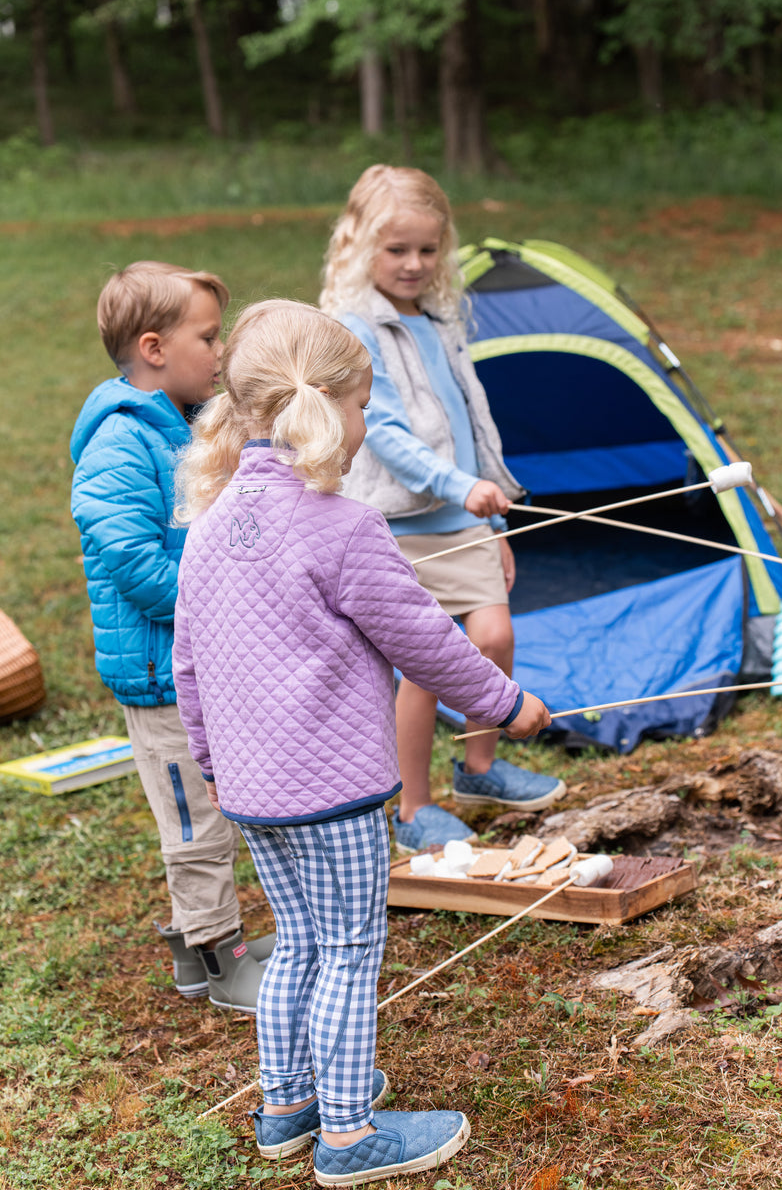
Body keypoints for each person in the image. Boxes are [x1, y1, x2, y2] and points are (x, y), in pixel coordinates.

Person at [171, 298, 552, 1185]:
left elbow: (188, 666)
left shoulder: (210, 523)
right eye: (362, 408)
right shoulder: (347, 528)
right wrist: (508, 704)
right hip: (332, 793)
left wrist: (220, 766)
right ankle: (347, 1134)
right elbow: (427, 643)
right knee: (347, 949)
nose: (361, 425)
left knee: (300, 941)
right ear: (330, 404)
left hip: (253, 793)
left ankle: (286, 1103)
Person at [319, 164, 566, 854]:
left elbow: (469, 422)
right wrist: (457, 489)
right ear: (357, 245)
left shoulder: (442, 318)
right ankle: (412, 807)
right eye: (397, 250)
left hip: (466, 517)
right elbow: (387, 432)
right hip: (401, 524)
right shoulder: (354, 327)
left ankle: (480, 768)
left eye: (428, 250)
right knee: (426, 666)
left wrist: (488, 516)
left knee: (492, 638)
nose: (414, 264)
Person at [70, 260, 274, 1014]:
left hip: (197, 666)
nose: (220, 353)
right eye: (209, 337)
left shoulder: (181, 424)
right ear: (155, 347)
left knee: (213, 809)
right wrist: (214, 606)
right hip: (161, 675)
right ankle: (220, 963)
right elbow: (131, 560)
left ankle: (202, 950)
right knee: (194, 822)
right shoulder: (120, 442)